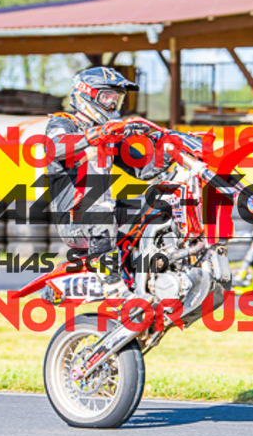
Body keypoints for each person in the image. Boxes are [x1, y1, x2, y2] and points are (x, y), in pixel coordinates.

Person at [45, 66, 172, 292]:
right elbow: (55, 147)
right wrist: (92, 136)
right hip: (74, 220)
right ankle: (110, 281)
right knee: (100, 210)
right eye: (107, 97)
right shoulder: (63, 123)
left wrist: (172, 152)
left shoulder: (109, 135)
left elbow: (143, 169)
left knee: (162, 207)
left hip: (105, 214)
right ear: (87, 95)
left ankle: (154, 266)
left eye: (117, 99)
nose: (113, 105)